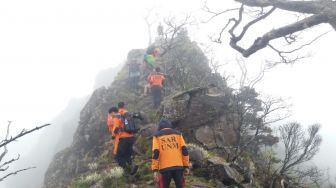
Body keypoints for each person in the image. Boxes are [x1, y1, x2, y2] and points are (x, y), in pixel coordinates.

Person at [152, 118, 190, 188]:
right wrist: (186, 166)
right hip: (179, 167)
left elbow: (156, 153)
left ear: (160, 127)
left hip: (164, 168)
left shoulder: (157, 136)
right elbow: (184, 150)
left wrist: (155, 170)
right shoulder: (178, 134)